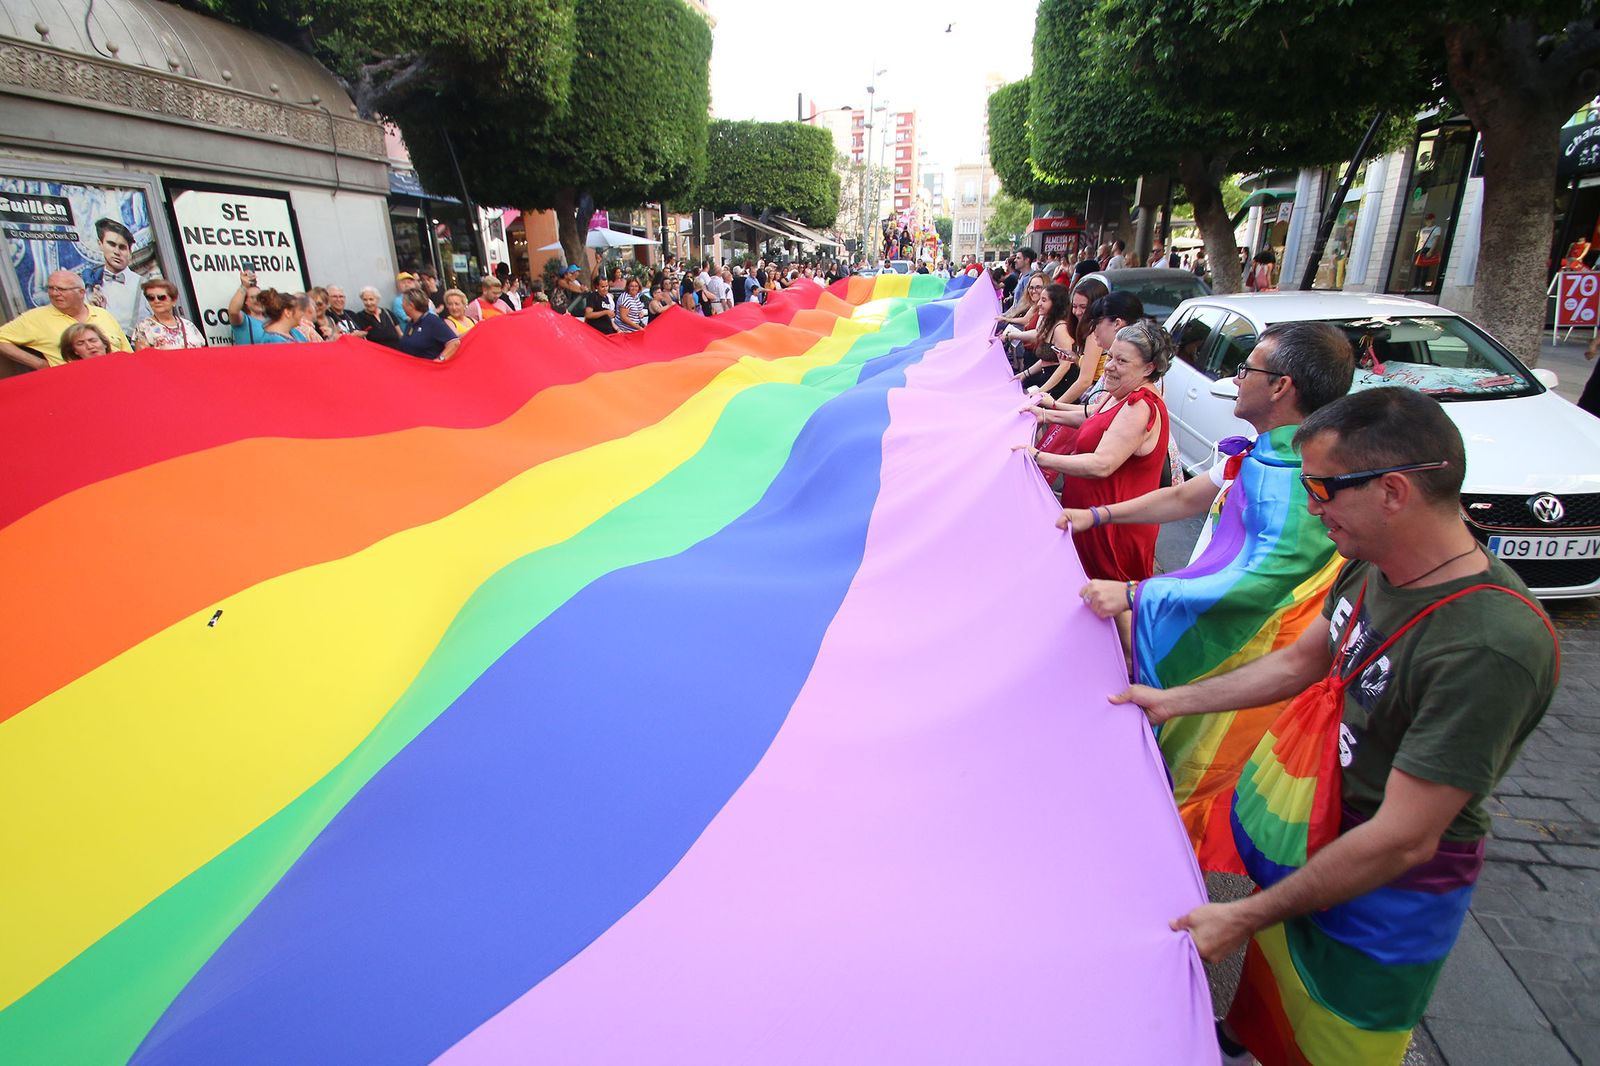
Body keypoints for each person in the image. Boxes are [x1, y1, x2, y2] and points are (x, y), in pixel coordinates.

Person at [1115, 387, 1558, 1066]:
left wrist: (1244, 914)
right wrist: (1170, 703)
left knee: (1333, 1038)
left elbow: (1402, 839)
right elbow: (1301, 662)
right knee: (1268, 1006)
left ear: (1392, 492)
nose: (1311, 505)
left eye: (1322, 487)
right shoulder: (1368, 562)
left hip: (1382, 893)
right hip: (1311, 833)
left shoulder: (1487, 645)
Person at [1066, 324, 1356, 870]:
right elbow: (1186, 495)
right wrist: (1098, 514)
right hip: (1220, 640)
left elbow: (1259, 582)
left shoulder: (1299, 479)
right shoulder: (1262, 455)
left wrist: (1134, 593)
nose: (1235, 378)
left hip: (1246, 655)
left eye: (1248, 370)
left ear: (1281, 387)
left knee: (1192, 785)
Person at [1016, 319, 1172, 586]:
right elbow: (1091, 419)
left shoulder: (1140, 405)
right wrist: (1045, 412)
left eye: (1122, 362)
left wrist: (1036, 456)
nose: (1109, 366)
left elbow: (1102, 464)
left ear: (1149, 368)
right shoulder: (1120, 393)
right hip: (1092, 520)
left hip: (1112, 532)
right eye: (1110, 357)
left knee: (1112, 605)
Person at [0, 269, 131, 369]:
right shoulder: (35, 318)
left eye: (61, 289)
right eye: (50, 288)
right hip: (78, 387)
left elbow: (127, 353)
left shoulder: (102, 314)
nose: (54, 293)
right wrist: (40, 364)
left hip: (119, 377)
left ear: (81, 292)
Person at [87, 217, 149, 334]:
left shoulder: (144, 285)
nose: (117, 252)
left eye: (122, 247)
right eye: (111, 244)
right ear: (100, 244)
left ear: (129, 251)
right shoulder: (90, 282)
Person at [132, 278, 206, 349]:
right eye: (151, 298)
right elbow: (143, 359)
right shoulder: (143, 327)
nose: (156, 301)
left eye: (161, 297)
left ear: (173, 300)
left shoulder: (189, 325)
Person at [391, 287, 461, 361]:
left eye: (403, 302)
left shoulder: (432, 321)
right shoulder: (411, 323)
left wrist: (440, 359)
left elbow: (454, 342)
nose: (402, 305)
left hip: (430, 369)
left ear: (411, 305)